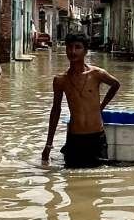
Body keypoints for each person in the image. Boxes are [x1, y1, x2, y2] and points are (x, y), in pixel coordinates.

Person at [42, 34, 121, 168]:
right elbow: (55, 111)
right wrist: (48, 145)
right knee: (71, 183)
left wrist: (101, 107)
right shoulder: (61, 80)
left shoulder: (96, 74)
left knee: (97, 180)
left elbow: (116, 84)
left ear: (85, 51)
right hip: (75, 138)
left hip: (97, 137)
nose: (73, 51)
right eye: (69, 47)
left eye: (77, 47)